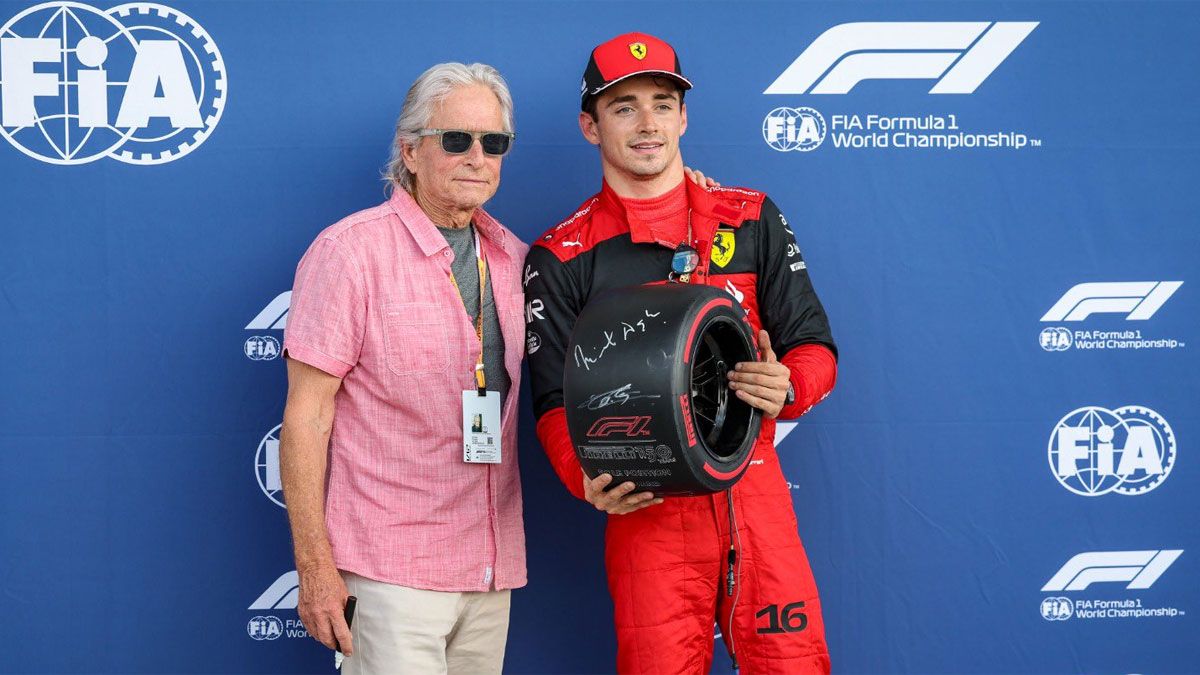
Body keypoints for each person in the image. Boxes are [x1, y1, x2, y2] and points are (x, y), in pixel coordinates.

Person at [524, 33, 838, 673]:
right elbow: (554, 400)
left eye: (662, 103)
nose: (648, 124)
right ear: (590, 126)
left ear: (684, 116)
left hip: (755, 495)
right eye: (623, 107)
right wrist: (584, 481)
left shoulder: (750, 218)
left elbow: (815, 347)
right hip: (648, 510)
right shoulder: (561, 254)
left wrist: (789, 386)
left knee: (796, 664)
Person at [279, 62, 527, 674]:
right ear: (410, 151)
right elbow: (307, 419)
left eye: (493, 142)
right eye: (457, 140)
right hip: (389, 570)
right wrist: (315, 570)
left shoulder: (516, 258)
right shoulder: (349, 251)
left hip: (490, 568)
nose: (477, 156)